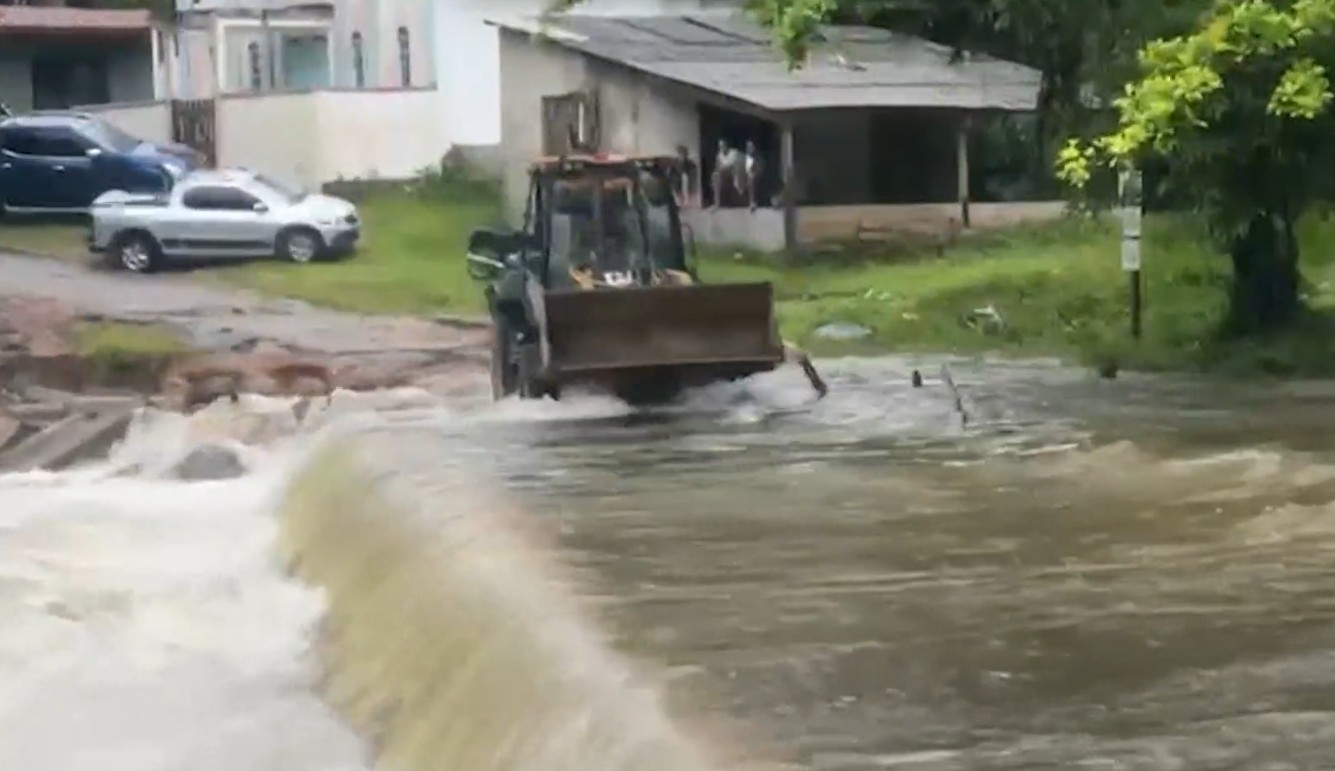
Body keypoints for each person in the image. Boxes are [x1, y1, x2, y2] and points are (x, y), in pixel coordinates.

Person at [711, 139, 742, 209]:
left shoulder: (734, 153)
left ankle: (738, 188)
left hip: (734, 172)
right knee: (715, 176)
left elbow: (736, 165)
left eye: (723, 146)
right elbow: (717, 167)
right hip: (723, 174)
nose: (722, 148)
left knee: (731, 170)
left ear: (726, 146)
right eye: (720, 147)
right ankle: (716, 203)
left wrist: (725, 167)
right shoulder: (719, 155)